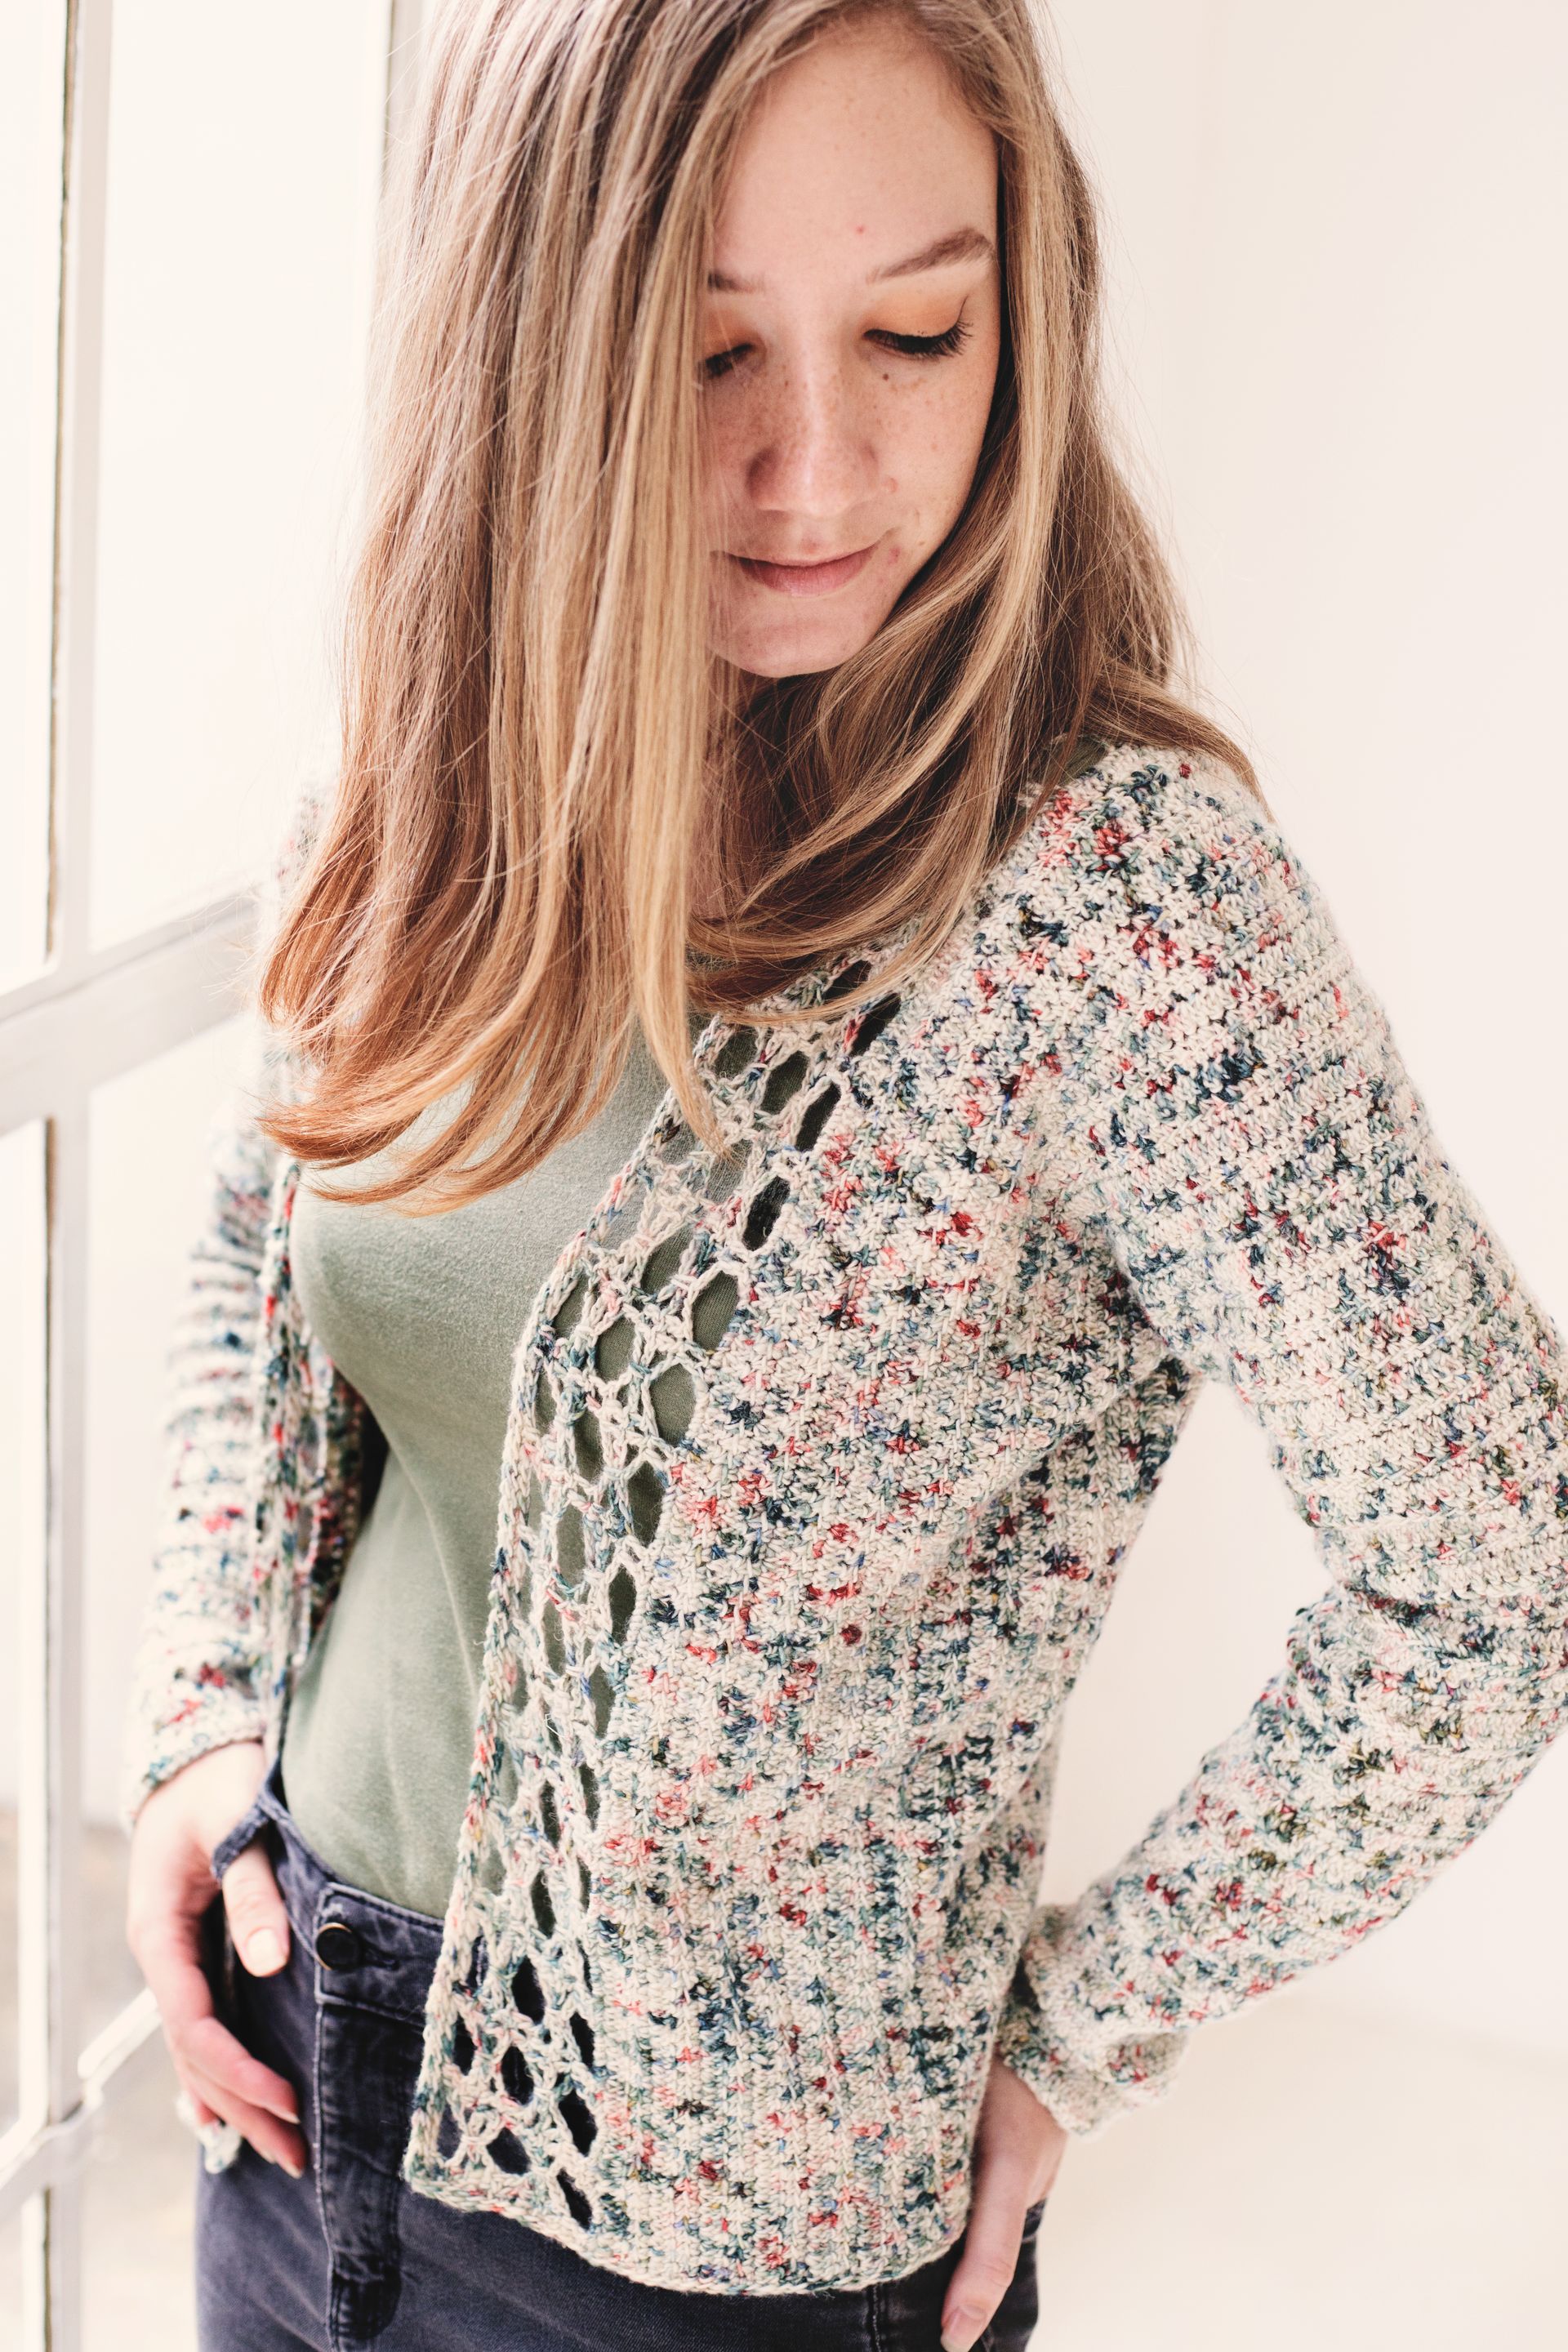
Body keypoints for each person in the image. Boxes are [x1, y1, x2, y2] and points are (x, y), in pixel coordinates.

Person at [121, 2, 1568, 2348]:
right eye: (705, 358)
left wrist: (1089, 2022)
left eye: (918, 328)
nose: (820, 468)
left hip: (725, 2262)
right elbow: (263, 1230)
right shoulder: (447, 753)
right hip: (283, 2078)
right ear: (537, 350)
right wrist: (198, 1717)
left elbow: (1500, 1557)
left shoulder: (1120, 910)